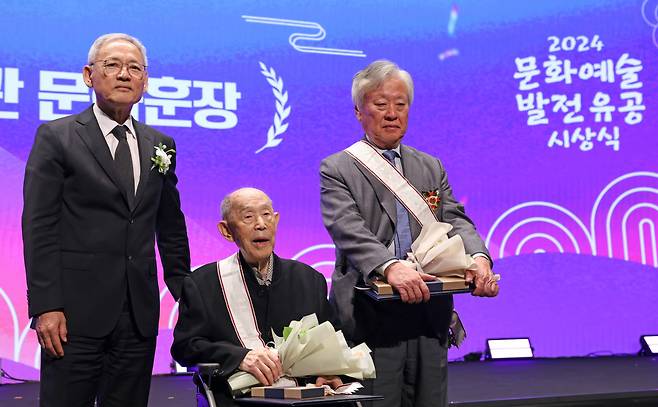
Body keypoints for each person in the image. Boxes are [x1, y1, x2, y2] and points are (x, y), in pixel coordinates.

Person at [22, 33, 190, 407]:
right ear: (88, 75)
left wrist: (187, 293)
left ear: (145, 82)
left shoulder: (160, 144)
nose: (124, 74)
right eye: (112, 65)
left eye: (135, 68)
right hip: (73, 316)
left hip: (139, 315)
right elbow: (39, 227)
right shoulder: (58, 137)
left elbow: (171, 226)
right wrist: (46, 305)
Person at [320, 59, 499, 407]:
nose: (392, 113)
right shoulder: (337, 167)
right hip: (371, 310)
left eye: (400, 105)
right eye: (380, 104)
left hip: (429, 309)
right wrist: (390, 267)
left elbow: (456, 220)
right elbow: (347, 228)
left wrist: (479, 258)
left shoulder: (430, 165)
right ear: (359, 111)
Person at [172, 188, 341, 406]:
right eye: (248, 217)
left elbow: (335, 339)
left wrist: (329, 372)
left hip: (304, 398)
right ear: (226, 230)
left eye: (266, 215)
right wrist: (240, 357)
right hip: (238, 398)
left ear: (276, 221)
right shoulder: (203, 284)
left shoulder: (309, 280)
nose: (260, 224)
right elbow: (185, 347)